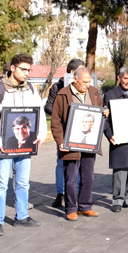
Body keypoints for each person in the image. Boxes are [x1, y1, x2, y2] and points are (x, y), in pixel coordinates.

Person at [0, 53, 47, 236]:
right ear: (13, 68)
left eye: (29, 70)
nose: (27, 73)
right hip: (3, 146)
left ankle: (22, 216)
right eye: (23, 69)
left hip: (25, 144)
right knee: (1, 183)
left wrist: (41, 134)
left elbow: (39, 114)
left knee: (22, 182)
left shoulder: (31, 90)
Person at [51, 66, 103, 220]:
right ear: (75, 79)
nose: (87, 85)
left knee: (88, 177)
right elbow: (55, 121)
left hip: (89, 142)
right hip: (71, 143)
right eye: (84, 82)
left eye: (89, 81)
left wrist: (104, 112)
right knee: (71, 178)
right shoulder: (63, 95)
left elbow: (99, 111)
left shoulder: (93, 92)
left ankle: (85, 206)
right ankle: (71, 208)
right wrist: (60, 141)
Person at [102, 66, 128, 212]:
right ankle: (117, 200)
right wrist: (109, 135)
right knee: (120, 169)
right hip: (119, 138)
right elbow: (104, 120)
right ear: (119, 78)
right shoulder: (110, 95)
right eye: (125, 78)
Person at [45, 57, 84, 208]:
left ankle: (78, 191)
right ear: (73, 72)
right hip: (64, 129)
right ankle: (61, 193)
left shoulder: (86, 86)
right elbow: (48, 107)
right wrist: (61, 111)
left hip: (81, 130)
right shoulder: (57, 87)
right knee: (61, 162)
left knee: (81, 161)